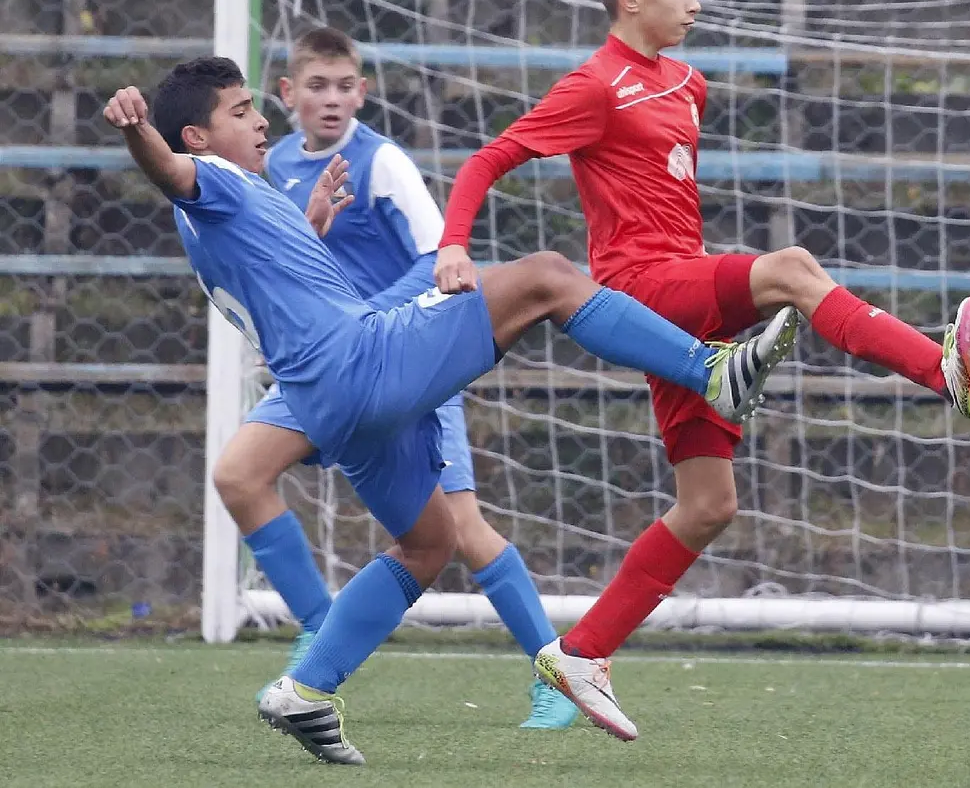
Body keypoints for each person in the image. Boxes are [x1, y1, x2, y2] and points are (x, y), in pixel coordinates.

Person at [102, 56, 798, 764]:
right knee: (547, 277)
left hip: (330, 405)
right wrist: (136, 130)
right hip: (361, 363)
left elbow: (269, 270)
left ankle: (307, 688)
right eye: (241, 111)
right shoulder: (208, 177)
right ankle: (711, 372)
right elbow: (170, 172)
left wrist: (309, 224)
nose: (260, 122)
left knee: (430, 544)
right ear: (196, 137)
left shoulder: (231, 205)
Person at [434, 0, 970, 741]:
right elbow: (488, 160)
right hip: (638, 290)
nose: (695, 4)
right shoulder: (594, 85)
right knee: (793, 268)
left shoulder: (687, 83)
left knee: (708, 505)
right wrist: (454, 245)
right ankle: (940, 370)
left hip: (680, 296)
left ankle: (584, 651)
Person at [210, 26, 579, 728]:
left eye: (345, 86)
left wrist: (367, 320)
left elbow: (440, 255)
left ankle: (556, 674)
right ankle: (318, 633)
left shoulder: (381, 163)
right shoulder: (270, 165)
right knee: (238, 474)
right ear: (287, 93)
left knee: (461, 528)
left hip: (404, 357)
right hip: (323, 372)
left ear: (363, 93)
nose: (331, 99)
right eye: (317, 85)